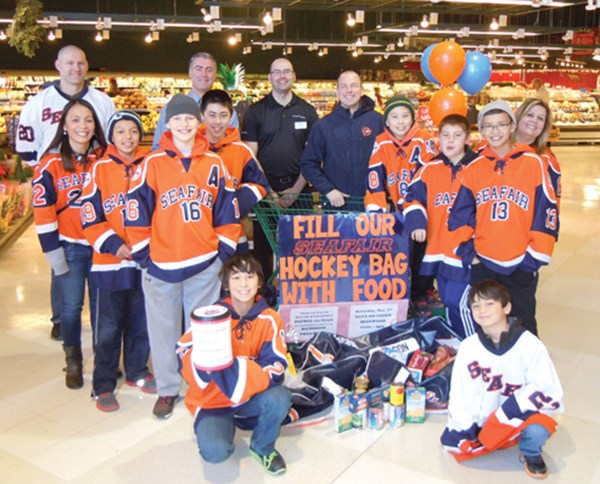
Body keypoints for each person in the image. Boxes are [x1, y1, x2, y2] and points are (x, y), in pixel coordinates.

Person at [125, 94, 240, 419]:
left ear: (198, 122)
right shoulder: (152, 163)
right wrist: (144, 255)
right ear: (168, 123)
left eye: (190, 118)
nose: (185, 124)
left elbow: (227, 211)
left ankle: (202, 386)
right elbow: (136, 213)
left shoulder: (214, 164)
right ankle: (167, 388)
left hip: (203, 263)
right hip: (161, 265)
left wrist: (223, 253)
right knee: (162, 331)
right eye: (178, 119)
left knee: (203, 332)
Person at [16, 44, 115, 342]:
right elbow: (26, 145)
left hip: (93, 181)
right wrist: (48, 173)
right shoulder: (39, 101)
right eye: (69, 63)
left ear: (87, 65)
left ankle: (89, 325)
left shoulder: (102, 101)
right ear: (57, 64)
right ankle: (61, 318)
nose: (75, 68)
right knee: (60, 253)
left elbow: (111, 143)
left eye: (81, 63)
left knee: (92, 249)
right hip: (57, 186)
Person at [448, 100, 559, 336]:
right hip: (484, 261)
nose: (495, 131)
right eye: (488, 126)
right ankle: (492, 370)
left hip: (520, 263)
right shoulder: (474, 167)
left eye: (501, 124)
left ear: (512, 127)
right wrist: (470, 253)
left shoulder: (534, 163)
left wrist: (533, 257)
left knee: (524, 322)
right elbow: (460, 215)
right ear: (481, 130)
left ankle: (527, 371)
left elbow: (547, 213)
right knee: (486, 322)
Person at [177, 254, 290, 475]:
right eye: (236, 277)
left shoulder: (269, 319)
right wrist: (206, 366)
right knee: (215, 454)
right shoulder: (210, 316)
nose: (244, 284)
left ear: (259, 282)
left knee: (280, 397)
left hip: (250, 396)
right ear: (227, 284)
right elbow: (184, 350)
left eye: (250, 276)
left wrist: (239, 377)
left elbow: (276, 364)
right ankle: (224, 424)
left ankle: (262, 447)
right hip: (213, 401)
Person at [441, 280, 563, 479]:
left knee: (539, 429)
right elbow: (462, 391)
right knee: (461, 441)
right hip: (486, 418)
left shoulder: (530, 344)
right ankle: (492, 435)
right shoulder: (469, 347)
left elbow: (547, 389)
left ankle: (530, 452)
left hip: (519, 414)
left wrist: (508, 412)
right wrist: (464, 426)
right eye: (476, 306)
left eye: (490, 304)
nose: (482, 310)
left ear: (506, 307)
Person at [81, 111, 154, 412]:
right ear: (111, 137)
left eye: (133, 131)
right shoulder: (99, 169)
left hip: (142, 261)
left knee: (141, 321)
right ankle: (104, 383)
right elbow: (89, 215)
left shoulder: (151, 165)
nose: (128, 137)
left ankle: (137, 370)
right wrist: (114, 244)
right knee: (109, 328)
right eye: (121, 131)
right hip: (110, 263)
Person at [32, 99, 107, 389]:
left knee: (103, 308)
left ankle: (104, 359)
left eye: (88, 120)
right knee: (71, 308)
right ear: (64, 126)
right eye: (75, 120)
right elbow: (43, 212)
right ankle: (73, 359)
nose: (82, 126)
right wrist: (53, 254)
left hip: (101, 248)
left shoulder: (104, 158)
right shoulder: (49, 165)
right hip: (70, 248)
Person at [241, 57, 318, 279]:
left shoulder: (308, 111)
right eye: (277, 72)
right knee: (263, 249)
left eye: (287, 72)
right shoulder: (256, 112)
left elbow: (312, 156)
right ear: (270, 78)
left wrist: (296, 189)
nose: (282, 76)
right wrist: (270, 192)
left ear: (294, 76)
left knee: (302, 248)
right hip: (265, 191)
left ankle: (300, 290)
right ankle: (264, 292)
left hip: (300, 189)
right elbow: (250, 157)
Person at [404, 114, 477, 338]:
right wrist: (417, 220)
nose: (450, 140)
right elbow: (411, 196)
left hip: (465, 250)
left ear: (467, 138)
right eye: (445, 135)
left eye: (457, 135)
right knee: (447, 300)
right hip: (438, 250)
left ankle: (472, 347)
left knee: (460, 302)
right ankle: (458, 344)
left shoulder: (478, 168)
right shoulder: (430, 168)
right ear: (438, 137)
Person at [364, 96, 437, 314]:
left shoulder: (424, 139)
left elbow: (429, 175)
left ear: (413, 118)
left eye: (405, 116)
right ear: (386, 121)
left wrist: (417, 209)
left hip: (423, 209)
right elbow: (374, 176)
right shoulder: (381, 141)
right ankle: (403, 293)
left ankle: (422, 292)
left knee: (424, 250)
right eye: (394, 117)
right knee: (403, 252)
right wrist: (376, 207)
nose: (400, 121)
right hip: (399, 211)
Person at [200, 89, 270, 253]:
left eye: (223, 115)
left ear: (231, 116)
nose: (217, 121)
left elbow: (260, 184)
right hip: (198, 234)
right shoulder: (192, 148)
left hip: (233, 235)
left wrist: (234, 208)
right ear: (202, 115)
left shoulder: (241, 150)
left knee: (234, 276)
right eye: (212, 115)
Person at [301, 70, 384, 209]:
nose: (349, 90)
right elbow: (308, 163)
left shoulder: (378, 121)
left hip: (374, 203)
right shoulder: (323, 126)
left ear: (362, 90)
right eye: (344, 86)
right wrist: (328, 190)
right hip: (336, 205)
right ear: (338, 91)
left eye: (354, 85)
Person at [152, 52, 239, 150]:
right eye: (198, 68)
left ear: (215, 75)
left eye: (209, 70)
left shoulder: (227, 110)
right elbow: (158, 147)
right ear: (190, 73)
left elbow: (234, 146)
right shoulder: (172, 108)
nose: (204, 74)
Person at [513, 98, 561, 210]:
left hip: (526, 224)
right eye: (529, 115)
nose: (534, 120)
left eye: (540, 118)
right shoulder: (497, 149)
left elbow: (552, 203)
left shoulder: (547, 159)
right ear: (519, 117)